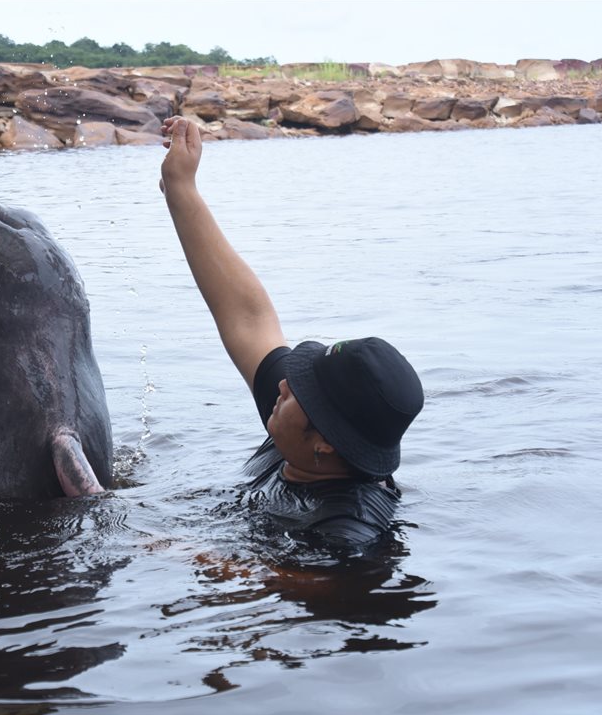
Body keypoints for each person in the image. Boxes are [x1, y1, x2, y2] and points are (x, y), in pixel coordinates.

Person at [159, 116, 425, 553]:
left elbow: (331, 589)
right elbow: (247, 317)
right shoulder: (303, 431)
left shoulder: (349, 526)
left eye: (302, 390)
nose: (283, 384)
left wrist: (192, 554)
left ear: (326, 443)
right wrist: (181, 187)